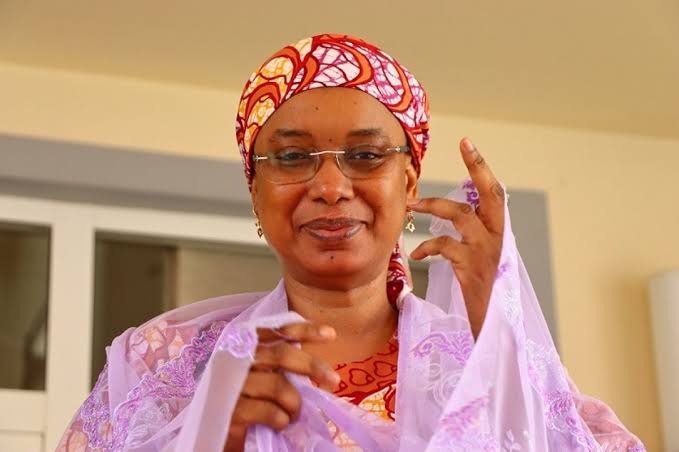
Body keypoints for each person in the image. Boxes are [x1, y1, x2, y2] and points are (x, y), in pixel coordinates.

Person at [57, 33, 644, 451]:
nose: (331, 187)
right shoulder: (161, 364)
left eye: (365, 155)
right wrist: (210, 437)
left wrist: (502, 334)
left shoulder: (485, 363)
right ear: (256, 192)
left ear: (408, 185)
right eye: (293, 157)